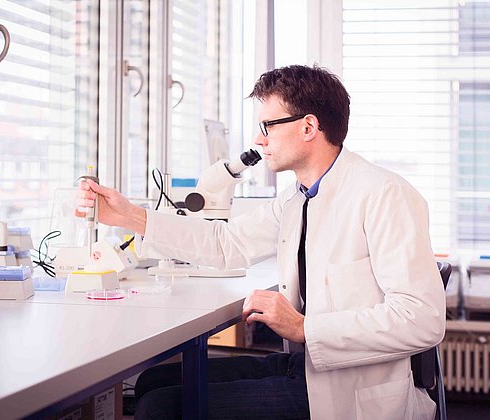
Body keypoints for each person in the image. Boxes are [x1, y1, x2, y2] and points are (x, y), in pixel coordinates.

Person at [77, 64, 446, 419]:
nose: (258, 139)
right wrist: (130, 217)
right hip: (308, 366)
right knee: (153, 381)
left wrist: (303, 327)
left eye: (267, 125)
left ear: (308, 127)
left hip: (352, 388)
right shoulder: (297, 196)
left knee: (161, 408)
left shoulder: (383, 194)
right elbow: (227, 243)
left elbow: (422, 320)